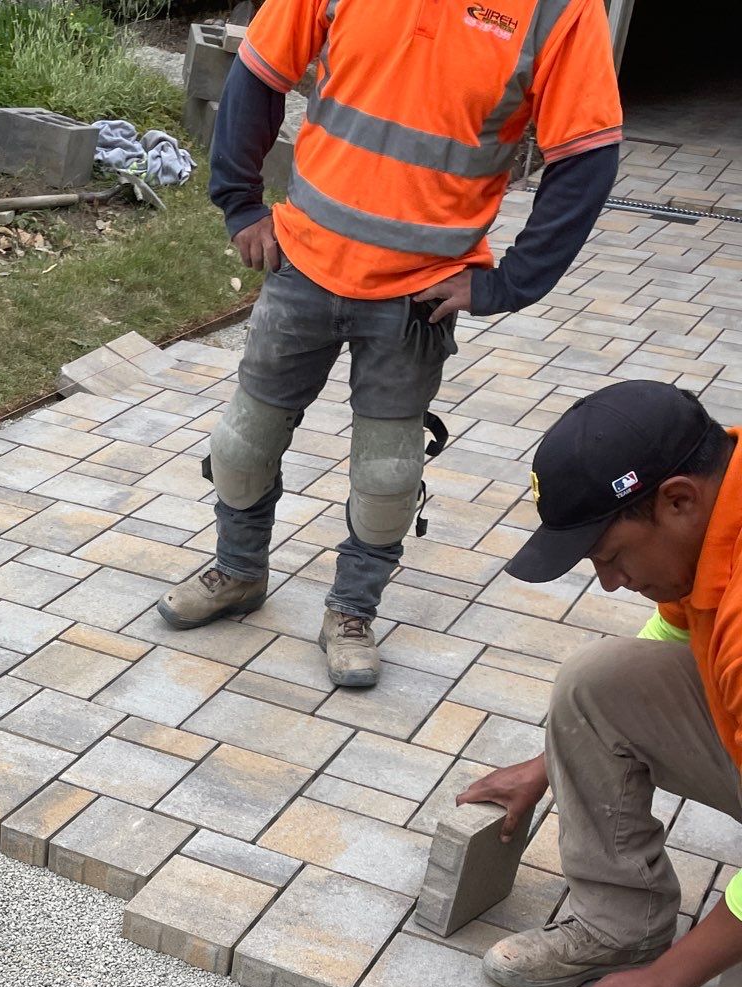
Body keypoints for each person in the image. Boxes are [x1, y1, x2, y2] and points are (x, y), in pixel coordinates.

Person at [160, 0, 623, 692]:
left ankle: (351, 611)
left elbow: (587, 156)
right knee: (241, 445)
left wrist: (511, 283)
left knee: (386, 476)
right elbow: (258, 72)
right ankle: (238, 570)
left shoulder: (560, 11)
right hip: (305, 264)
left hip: (419, 296)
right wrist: (241, 203)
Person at [460, 382, 742, 987]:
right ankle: (622, 926)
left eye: (611, 555)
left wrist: (665, 985)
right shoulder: (722, 504)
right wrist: (550, 759)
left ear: (677, 501)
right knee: (594, 683)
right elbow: (673, 643)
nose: (610, 581)